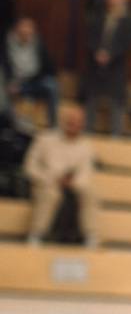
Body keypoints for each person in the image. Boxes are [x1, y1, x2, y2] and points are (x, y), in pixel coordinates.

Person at [23, 102, 98, 246]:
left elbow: (86, 172)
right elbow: (30, 166)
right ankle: (36, 234)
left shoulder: (86, 146)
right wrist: (49, 178)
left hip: (72, 184)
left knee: (90, 192)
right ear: (63, 121)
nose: (74, 125)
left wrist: (73, 182)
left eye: (78, 122)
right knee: (51, 194)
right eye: (71, 121)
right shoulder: (44, 139)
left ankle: (91, 236)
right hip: (46, 182)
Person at [84, 0, 131, 135]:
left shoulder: (127, 20)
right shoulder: (98, 16)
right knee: (91, 98)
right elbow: (90, 37)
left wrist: (111, 54)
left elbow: (127, 43)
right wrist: (97, 52)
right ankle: (88, 132)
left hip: (117, 65)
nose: (111, 0)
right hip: (95, 63)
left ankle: (116, 136)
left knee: (117, 102)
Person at [3, 16, 59, 127]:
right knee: (5, 92)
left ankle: (53, 125)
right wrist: (10, 82)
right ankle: (10, 126)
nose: (27, 30)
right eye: (24, 27)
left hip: (34, 80)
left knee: (52, 85)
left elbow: (49, 66)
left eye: (30, 27)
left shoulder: (37, 43)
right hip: (16, 82)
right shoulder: (7, 44)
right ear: (17, 28)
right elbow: (5, 66)